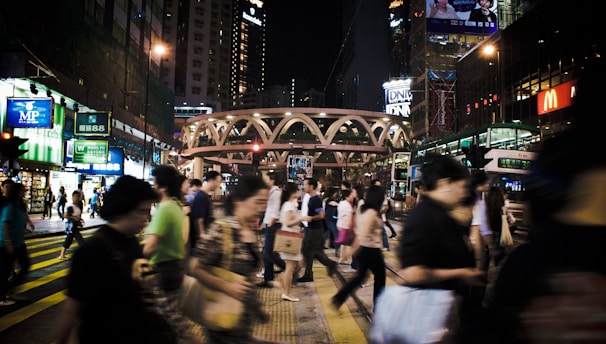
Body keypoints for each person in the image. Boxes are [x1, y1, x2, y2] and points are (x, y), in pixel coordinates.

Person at [51, 175, 179, 344]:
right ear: (124, 208)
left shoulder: (131, 241)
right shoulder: (92, 251)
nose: (147, 218)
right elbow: (72, 308)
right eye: (142, 211)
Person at [394, 154, 486, 343]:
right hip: (430, 319)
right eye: (461, 187)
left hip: (443, 315)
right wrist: (461, 273)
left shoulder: (441, 213)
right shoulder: (425, 216)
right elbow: (412, 273)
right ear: (446, 183)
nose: (464, 194)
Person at [187, 175, 273, 344]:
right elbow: (194, 267)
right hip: (221, 320)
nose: (262, 208)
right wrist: (226, 286)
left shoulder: (250, 229)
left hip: (243, 320)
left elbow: (246, 277)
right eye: (258, 202)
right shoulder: (221, 229)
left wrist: (257, 307)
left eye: (265, 203)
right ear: (240, 201)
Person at [142, 166, 199, 343]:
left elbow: (151, 247)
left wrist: (133, 256)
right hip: (175, 269)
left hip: (162, 273)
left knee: (174, 323)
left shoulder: (165, 209)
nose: (153, 186)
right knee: (171, 322)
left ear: (163, 187)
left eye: (154, 183)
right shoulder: (177, 206)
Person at [332, 184, 387, 312]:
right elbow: (363, 233)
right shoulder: (372, 212)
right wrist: (353, 249)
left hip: (365, 249)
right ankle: (379, 307)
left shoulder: (362, 209)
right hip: (371, 249)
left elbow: (357, 228)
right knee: (380, 277)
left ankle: (339, 297)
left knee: (360, 277)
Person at [298, 177, 337, 283]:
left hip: (315, 229)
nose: (304, 186)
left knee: (310, 251)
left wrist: (311, 218)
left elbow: (321, 215)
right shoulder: (311, 198)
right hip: (311, 228)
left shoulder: (316, 199)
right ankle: (328, 265)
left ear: (311, 186)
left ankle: (310, 273)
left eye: (305, 184)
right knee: (311, 251)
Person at [0, 182, 33, 306]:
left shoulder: (20, 205)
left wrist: (29, 222)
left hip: (18, 243)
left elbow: (24, 216)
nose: (24, 193)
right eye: (21, 191)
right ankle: (2, 297)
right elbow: (5, 224)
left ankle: (11, 289)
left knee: (25, 265)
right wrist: (8, 242)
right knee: (5, 270)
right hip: (7, 243)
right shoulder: (10, 207)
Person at [278, 182, 310, 302]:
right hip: (289, 240)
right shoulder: (289, 206)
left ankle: (284, 285)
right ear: (293, 193)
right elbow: (287, 222)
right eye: (297, 190)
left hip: (291, 239)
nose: (299, 192)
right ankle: (287, 292)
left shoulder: (289, 204)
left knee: (296, 265)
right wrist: (301, 218)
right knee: (290, 267)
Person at [257, 171, 286, 288]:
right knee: (267, 254)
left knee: (268, 253)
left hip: (273, 225)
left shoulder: (276, 192)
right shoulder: (271, 192)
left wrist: (269, 225)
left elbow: (275, 210)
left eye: (267, 179)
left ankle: (288, 268)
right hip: (269, 224)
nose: (265, 182)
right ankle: (268, 279)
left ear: (272, 180)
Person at [190, 170, 222, 238]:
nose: (218, 185)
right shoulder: (201, 196)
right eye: (218, 182)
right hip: (201, 237)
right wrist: (202, 234)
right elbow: (198, 219)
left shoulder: (204, 195)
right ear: (211, 180)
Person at [58, 191, 86, 260]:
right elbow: (65, 215)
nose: (77, 198)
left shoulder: (77, 206)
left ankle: (62, 255)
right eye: (75, 196)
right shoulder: (70, 207)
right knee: (80, 241)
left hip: (75, 225)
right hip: (71, 226)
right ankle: (86, 255)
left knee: (69, 240)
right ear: (72, 197)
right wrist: (74, 218)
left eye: (78, 197)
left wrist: (80, 220)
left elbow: (77, 216)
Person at [336, 189, 356, 269]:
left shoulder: (341, 203)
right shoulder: (346, 205)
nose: (352, 196)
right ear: (347, 196)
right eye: (351, 195)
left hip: (341, 224)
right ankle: (348, 259)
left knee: (344, 244)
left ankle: (342, 259)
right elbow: (349, 216)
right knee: (348, 244)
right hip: (345, 225)